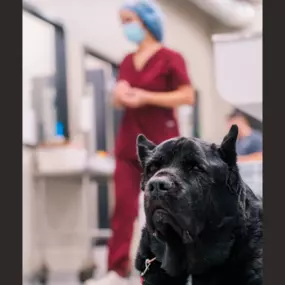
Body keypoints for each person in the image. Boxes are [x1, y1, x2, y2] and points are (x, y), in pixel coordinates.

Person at [85, 1, 194, 284]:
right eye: (122, 21)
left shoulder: (171, 57)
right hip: (129, 143)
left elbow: (187, 95)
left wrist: (146, 97)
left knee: (165, 208)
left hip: (162, 144)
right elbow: (118, 97)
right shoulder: (126, 61)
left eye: (128, 19)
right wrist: (119, 95)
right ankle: (116, 271)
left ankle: (169, 269)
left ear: (146, 21)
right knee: (122, 209)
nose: (125, 27)